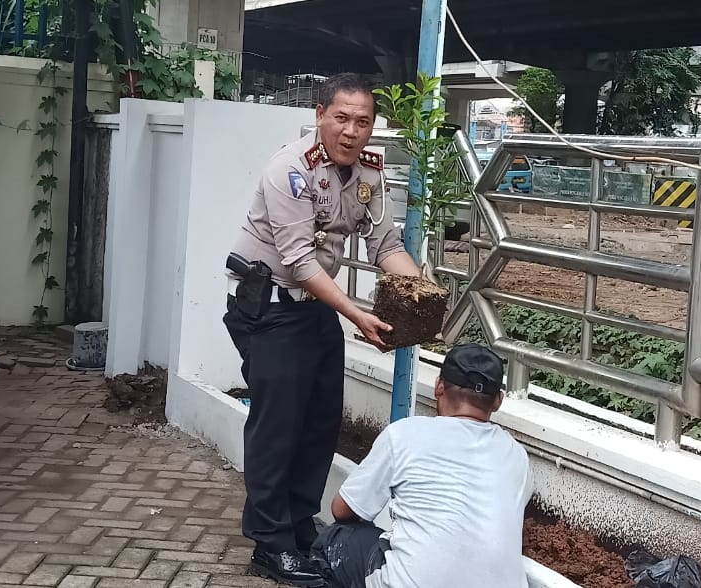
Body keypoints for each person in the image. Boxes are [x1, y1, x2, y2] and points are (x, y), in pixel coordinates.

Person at [222, 72, 422, 587]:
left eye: (363, 121)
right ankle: (269, 545)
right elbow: (298, 261)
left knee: (319, 420)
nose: (351, 131)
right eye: (341, 117)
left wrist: (423, 291)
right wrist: (356, 314)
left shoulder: (369, 174)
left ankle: (297, 528)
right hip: (267, 304)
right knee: (277, 425)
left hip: (312, 303)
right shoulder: (289, 170)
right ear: (319, 115)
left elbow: (385, 245)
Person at [310, 343, 533, 588]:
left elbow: (342, 510)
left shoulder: (405, 434)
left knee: (335, 539)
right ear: (498, 401)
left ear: (439, 386)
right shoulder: (517, 455)